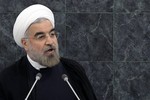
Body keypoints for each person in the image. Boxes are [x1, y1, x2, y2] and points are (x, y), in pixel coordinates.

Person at [0, 4, 97, 100]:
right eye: (41, 37)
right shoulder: (8, 79)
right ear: (25, 43)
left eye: (52, 34)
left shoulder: (73, 70)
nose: (50, 42)